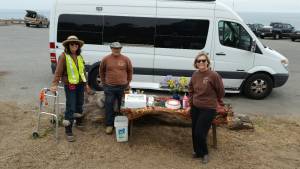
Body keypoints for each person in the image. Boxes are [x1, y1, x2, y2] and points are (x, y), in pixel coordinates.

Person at [50, 35, 92, 142]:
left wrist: (86, 84)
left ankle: (78, 122)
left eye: (76, 44)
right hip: (70, 85)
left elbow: (83, 72)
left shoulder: (79, 57)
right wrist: (54, 84)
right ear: (68, 45)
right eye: (72, 44)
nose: (74, 45)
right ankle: (68, 129)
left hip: (80, 85)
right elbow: (58, 71)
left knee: (79, 103)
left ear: (79, 46)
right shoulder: (63, 56)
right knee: (71, 106)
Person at [188, 52, 225, 164]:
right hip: (195, 107)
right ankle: (197, 152)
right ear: (196, 63)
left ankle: (205, 153)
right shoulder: (195, 75)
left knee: (200, 132)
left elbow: (221, 91)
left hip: (208, 108)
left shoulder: (213, 75)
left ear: (208, 62)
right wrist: (191, 101)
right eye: (198, 61)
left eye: (203, 60)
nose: (201, 62)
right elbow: (191, 88)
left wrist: (214, 101)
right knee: (194, 131)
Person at [99, 42, 133, 134]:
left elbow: (130, 71)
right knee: (109, 105)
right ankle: (109, 125)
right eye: (114, 48)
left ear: (120, 49)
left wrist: (128, 82)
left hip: (123, 87)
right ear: (111, 48)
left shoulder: (126, 59)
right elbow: (101, 70)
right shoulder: (106, 59)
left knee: (123, 107)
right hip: (109, 87)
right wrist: (103, 82)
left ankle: (124, 123)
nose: (116, 50)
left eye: (118, 48)